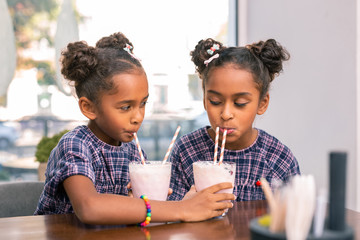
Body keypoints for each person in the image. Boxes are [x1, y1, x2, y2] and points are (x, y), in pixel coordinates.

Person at [34, 32, 235, 225]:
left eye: (143, 104)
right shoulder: (76, 145)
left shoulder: (134, 153)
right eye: (125, 107)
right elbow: (89, 207)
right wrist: (182, 209)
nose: (138, 117)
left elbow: (148, 210)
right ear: (89, 107)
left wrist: (181, 202)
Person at [168, 38, 301, 201]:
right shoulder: (186, 151)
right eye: (215, 102)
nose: (226, 114)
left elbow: (293, 218)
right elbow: (170, 215)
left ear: (262, 103)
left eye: (240, 103)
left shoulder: (279, 159)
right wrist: (184, 206)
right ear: (204, 100)